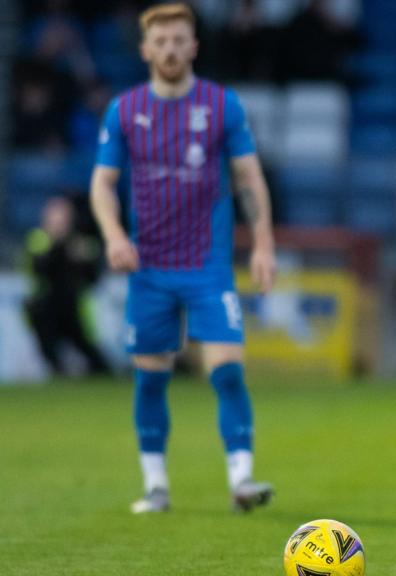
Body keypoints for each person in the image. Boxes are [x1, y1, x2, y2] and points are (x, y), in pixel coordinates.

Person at [89, 3, 277, 514]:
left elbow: (248, 178)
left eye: (179, 40)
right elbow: (103, 184)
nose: (170, 49)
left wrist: (262, 243)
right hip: (148, 268)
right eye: (161, 41)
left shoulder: (222, 106)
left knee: (227, 372)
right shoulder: (124, 111)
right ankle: (156, 486)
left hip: (207, 265)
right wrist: (111, 236)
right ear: (146, 49)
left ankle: (242, 479)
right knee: (151, 377)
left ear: (193, 46)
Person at [23, 196, 110, 376]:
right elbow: (39, 269)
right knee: (49, 347)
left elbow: (93, 277)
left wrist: (84, 257)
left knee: (91, 352)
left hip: (73, 305)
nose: (59, 221)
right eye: (55, 215)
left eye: (63, 216)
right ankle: (57, 371)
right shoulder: (37, 239)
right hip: (46, 307)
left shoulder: (82, 242)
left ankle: (100, 373)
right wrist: (60, 245)